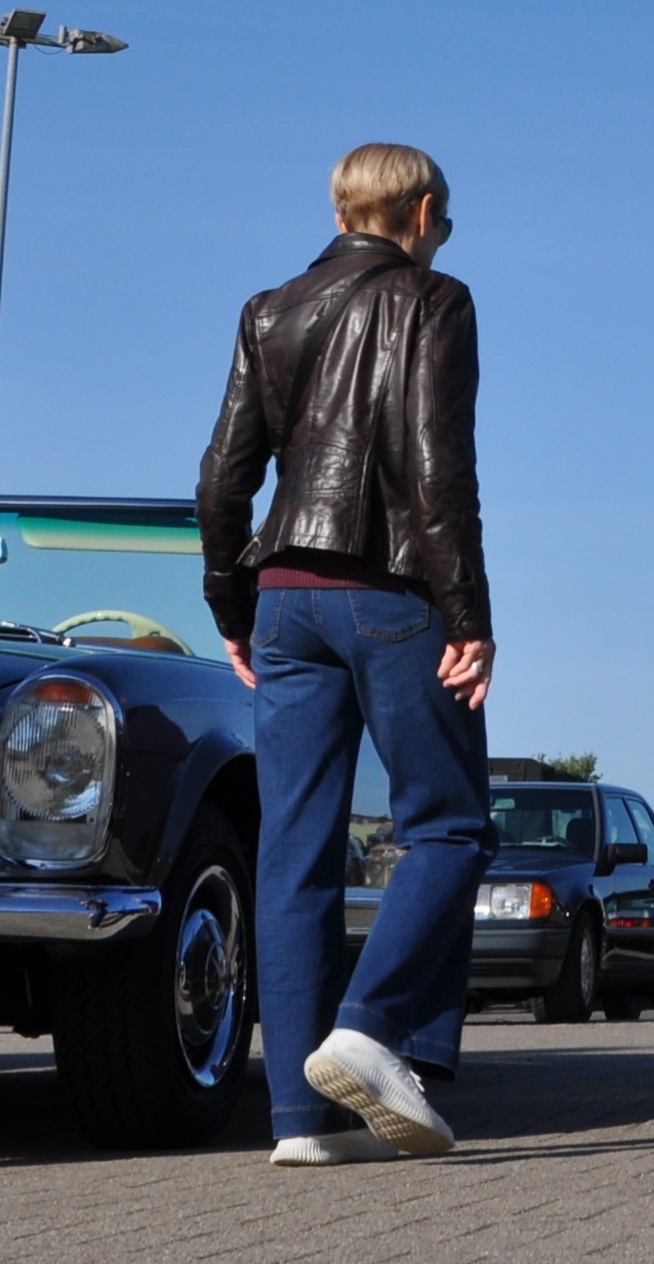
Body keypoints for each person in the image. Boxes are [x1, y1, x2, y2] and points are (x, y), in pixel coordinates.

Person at [199, 142, 498, 1169]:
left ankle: (296, 1125)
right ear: (417, 213)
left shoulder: (268, 308)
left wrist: (229, 601)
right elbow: (434, 460)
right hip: (394, 588)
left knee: (293, 854)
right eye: (443, 223)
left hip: (282, 596)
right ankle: (370, 1030)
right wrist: (470, 613)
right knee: (451, 826)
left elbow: (220, 477)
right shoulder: (433, 299)